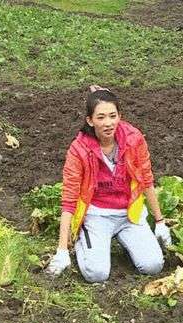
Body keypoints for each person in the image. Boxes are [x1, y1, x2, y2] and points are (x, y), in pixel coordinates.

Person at [45, 85, 172, 282]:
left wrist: (160, 221)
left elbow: (146, 179)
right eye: (101, 117)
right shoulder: (78, 150)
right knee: (96, 274)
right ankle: (84, 240)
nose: (108, 123)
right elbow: (69, 199)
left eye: (113, 116)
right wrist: (62, 249)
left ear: (120, 116)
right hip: (97, 215)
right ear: (90, 120)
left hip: (129, 213)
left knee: (153, 266)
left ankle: (124, 239)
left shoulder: (133, 139)